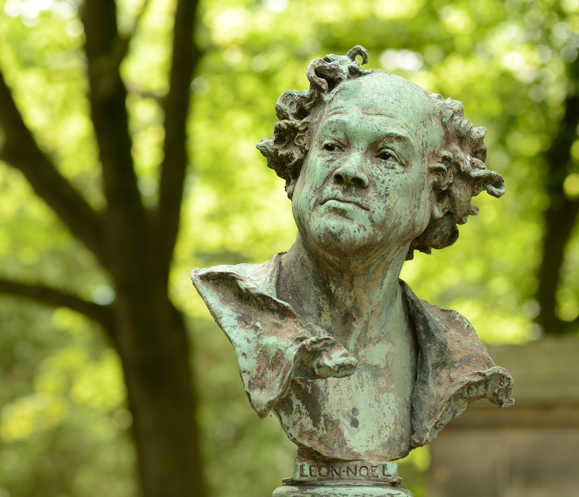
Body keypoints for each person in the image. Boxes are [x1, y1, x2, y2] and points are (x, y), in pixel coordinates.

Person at [193, 47, 513, 464]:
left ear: (436, 195)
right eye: (332, 145)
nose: (350, 170)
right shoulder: (240, 301)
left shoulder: (454, 355)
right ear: (299, 163)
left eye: (386, 156)